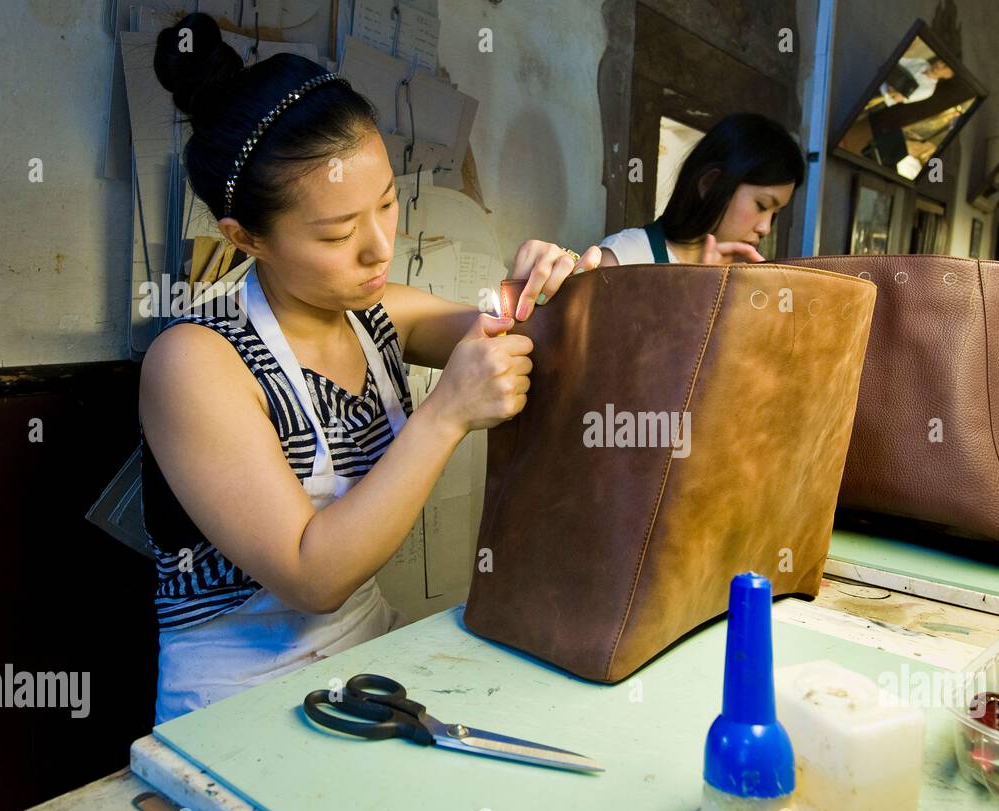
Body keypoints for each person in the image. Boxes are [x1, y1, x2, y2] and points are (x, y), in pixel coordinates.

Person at [141, 13, 601, 723]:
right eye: (338, 232)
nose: (380, 247)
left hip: (364, 660)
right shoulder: (197, 362)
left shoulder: (380, 311)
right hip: (233, 699)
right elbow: (310, 575)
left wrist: (558, 284)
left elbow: (521, 330)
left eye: (387, 202)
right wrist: (446, 414)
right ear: (246, 236)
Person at [596, 113, 804, 266]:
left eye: (775, 214)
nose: (765, 228)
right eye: (762, 205)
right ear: (710, 183)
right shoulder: (625, 258)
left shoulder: (743, 282)